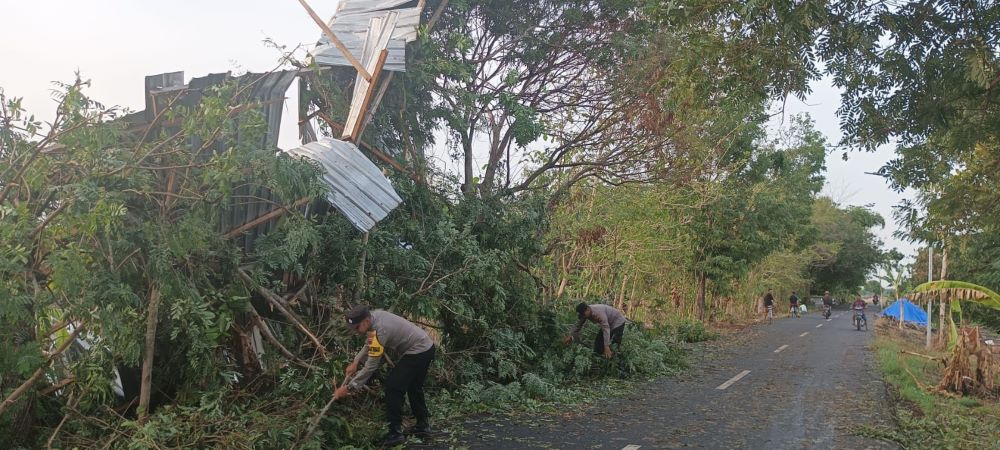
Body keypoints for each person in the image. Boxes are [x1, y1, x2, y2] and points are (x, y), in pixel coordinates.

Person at [334, 306, 436, 447]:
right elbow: (369, 343)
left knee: (393, 387)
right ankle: (423, 426)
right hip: (426, 348)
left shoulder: (381, 329)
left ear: (366, 320)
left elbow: (371, 366)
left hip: (419, 351)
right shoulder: (374, 318)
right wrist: (356, 361)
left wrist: (350, 387)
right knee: (414, 387)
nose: (356, 331)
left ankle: (395, 434)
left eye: (357, 328)